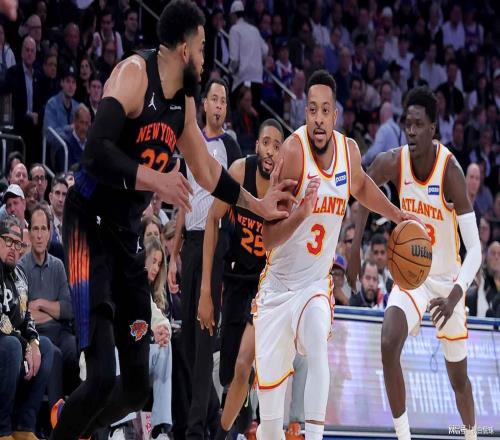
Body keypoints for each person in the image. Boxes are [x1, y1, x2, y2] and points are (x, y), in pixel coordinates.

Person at [50, 1, 293, 438]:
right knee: (102, 376)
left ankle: (74, 420)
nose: (204, 57)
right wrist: (156, 180)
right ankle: (71, 422)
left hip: (125, 234)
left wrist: (259, 206)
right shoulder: (133, 75)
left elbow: (208, 172)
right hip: (88, 223)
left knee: (136, 387)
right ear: (184, 49)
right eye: (201, 47)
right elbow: (95, 152)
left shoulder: (183, 103)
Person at [254, 70, 410, 440]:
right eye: (312, 110)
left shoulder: (348, 151)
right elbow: (267, 238)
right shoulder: (292, 154)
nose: (319, 119)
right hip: (277, 290)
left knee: (318, 346)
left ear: (335, 114)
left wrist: (397, 214)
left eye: (326, 110)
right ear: (304, 113)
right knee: (270, 424)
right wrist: (300, 214)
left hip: (314, 285)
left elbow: (361, 186)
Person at [348, 87, 481, 439]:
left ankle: (471, 435)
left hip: (449, 283)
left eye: (419, 124)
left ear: (433, 129)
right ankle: (404, 436)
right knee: (388, 342)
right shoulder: (394, 161)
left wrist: (454, 296)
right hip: (412, 278)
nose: (411, 131)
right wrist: (355, 245)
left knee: (459, 380)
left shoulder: (450, 171)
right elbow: (361, 187)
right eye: (407, 124)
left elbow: (476, 251)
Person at [197, 119, 284, 440]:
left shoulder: (286, 187)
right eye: (266, 143)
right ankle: (241, 405)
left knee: (242, 367)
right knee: (228, 373)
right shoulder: (238, 172)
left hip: (265, 284)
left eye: (277, 146)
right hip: (234, 277)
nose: (270, 151)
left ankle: (233, 427)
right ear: (256, 146)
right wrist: (206, 289)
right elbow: (212, 219)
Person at [167, 77, 242, 440]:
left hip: (217, 242)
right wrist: (174, 253)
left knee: (202, 337)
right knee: (186, 343)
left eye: (223, 101)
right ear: (205, 104)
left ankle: (195, 431)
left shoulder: (230, 146)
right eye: (214, 99)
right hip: (191, 244)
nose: (219, 105)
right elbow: (184, 199)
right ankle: (212, 417)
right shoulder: (192, 142)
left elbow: (237, 199)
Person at [0, 215, 54, 440]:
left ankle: (24, 426)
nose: (13, 248)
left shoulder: (20, 275)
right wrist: (25, 345)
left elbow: (26, 317)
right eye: (8, 241)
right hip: (5, 344)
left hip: (13, 344)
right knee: (12, 346)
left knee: (47, 347)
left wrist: (33, 341)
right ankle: (2, 429)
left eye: (18, 243)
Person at [19, 205, 79, 408]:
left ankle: (81, 415)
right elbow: (24, 314)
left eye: (43, 229)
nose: (39, 235)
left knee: (77, 348)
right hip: (36, 335)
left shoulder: (58, 266)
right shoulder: (21, 267)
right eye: (35, 229)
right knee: (54, 354)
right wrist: (54, 311)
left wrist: (40, 304)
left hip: (61, 332)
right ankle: (56, 419)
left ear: (50, 232)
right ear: (30, 232)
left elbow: (69, 309)